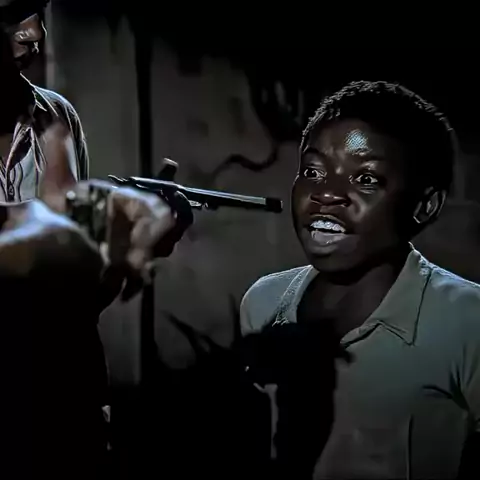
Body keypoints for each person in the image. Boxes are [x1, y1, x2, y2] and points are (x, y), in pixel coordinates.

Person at [240, 80, 480, 479]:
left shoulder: (468, 319)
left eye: (366, 179)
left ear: (424, 205)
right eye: (313, 171)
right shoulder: (263, 302)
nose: (326, 194)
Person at [0, 0, 88, 202]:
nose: (35, 33)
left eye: (38, 10)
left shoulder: (59, 112)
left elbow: (74, 218)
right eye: (10, 16)